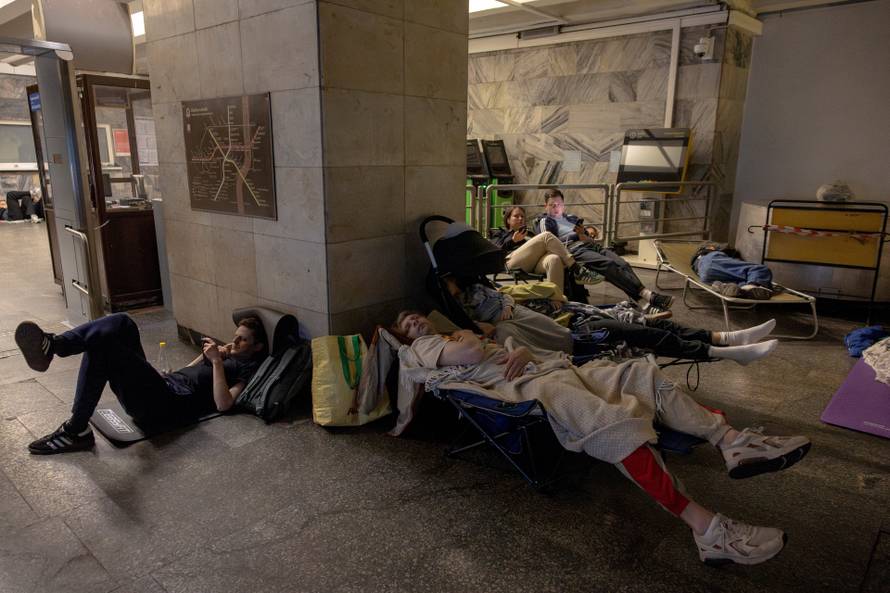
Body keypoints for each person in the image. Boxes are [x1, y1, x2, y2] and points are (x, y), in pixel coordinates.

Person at [394, 310, 811, 566]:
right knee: (613, 426)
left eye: (415, 316)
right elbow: (469, 355)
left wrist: (515, 347)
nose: (414, 321)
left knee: (640, 373)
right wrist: (473, 338)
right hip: (534, 392)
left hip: (554, 369)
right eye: (406, 323)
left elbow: (506, 346)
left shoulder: (451, 336)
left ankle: (732, 441)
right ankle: (708, 530)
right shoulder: (425, 347)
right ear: (409, 335)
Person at [14, 313, 267, 455]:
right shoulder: (226, 356)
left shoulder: (245, 371)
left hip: (165, 406)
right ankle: (55, 345)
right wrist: (207, 355)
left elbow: (224, 404)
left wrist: (216, 364)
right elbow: (188, 372)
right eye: (235, 337)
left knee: (103, 346)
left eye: (242, 341)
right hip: (162, 387)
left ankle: (75, 430)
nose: (234, 343)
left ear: (257, 348)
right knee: (122, 323)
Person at [445, 277, 779, 365]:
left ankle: (726, 339)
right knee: (648, 334)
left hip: (577, 318)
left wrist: (503, 301)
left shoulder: (508, 306)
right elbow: (523, 351)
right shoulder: (505, 330)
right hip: (580, 336)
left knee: (657, 327)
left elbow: (505, 294)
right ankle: (724, 354)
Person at [532, 189, 674, 312]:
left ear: (563, 204)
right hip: (573, 250)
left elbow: (587, 238)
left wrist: (585, 235)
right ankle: (648, 296)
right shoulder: (545, 221)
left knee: (623, 264)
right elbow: (549, 241)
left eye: (559, 204)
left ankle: (643, 300)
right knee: (608, 264)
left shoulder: (571, 218)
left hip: (591, 246)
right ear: (546, 206)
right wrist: (576, 236)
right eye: (552, 205)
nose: (556, 208)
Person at [489, 206, 600, 298]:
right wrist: (512, 241)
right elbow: (495, 252)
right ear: (508, 220)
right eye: (516, 216)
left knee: (554, 258)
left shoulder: (531, 234)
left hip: (535, 264)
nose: (520, 218)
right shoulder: (500, 233)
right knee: (546, 235)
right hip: (511, 262)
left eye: (522, 216)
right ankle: (577, 269)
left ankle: (556, 299)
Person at [692, 242, 775, 300]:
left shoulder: (696, 262)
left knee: (740, 282)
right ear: (710, 248)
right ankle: (752, 285)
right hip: (711, 261)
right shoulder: (710, 248)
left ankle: (725, 287)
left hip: (703, 274)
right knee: (760, 269)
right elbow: (726, 246)